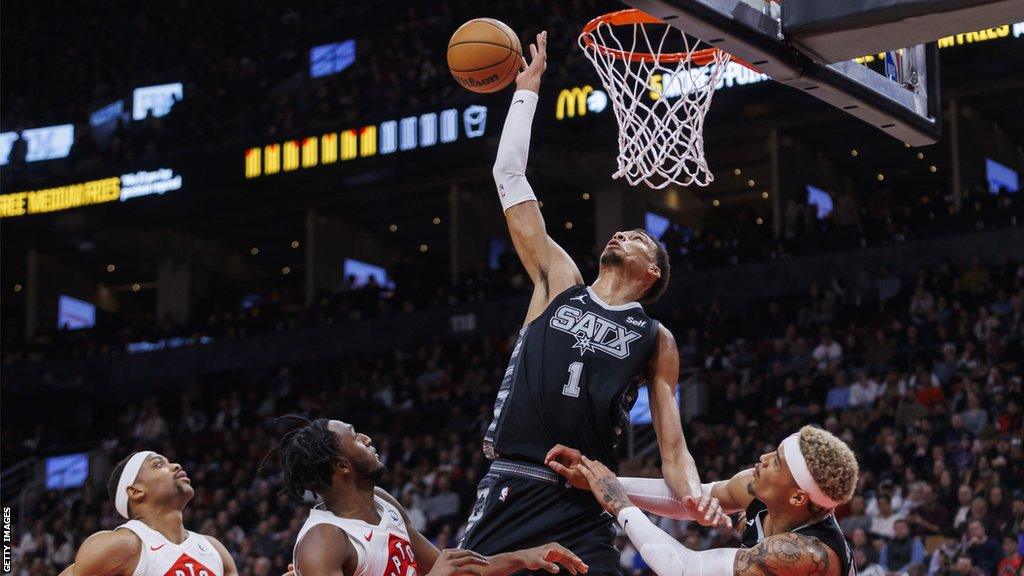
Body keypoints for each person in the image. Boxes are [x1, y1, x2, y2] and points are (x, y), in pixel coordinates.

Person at [464, 29, 723, 576]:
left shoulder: (656, 339)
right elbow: (507, 176)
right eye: (620, 232)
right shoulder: (558, 283)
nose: (619, 235)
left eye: (636, 238)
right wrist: (526, 91)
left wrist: (695, 495)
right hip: (515, 479)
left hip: (584, 500)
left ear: (651, 272)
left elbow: (672, 450)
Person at [270, 417, 589, 576]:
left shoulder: (382, 502)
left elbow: (449, 567)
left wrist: (523, 556)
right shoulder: (323, 541)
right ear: (341, 466)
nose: (366, 438)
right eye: (354, 436)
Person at [547, 425, 858, 576]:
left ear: (797, 496)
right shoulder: (758, 488)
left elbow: (683, 569)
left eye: (776, 461)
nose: (763, 459)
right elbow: (689, 498)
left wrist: (618, 502)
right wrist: (595, 478)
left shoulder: (805, 553)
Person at [57, 451, 238, 576]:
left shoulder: (215, 550)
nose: (176, 465)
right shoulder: (122, 545)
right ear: (136, 491)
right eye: (159, 464)